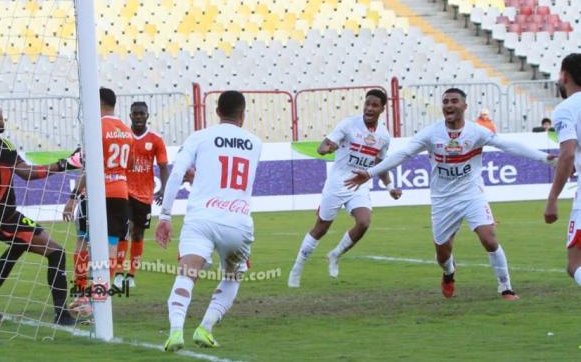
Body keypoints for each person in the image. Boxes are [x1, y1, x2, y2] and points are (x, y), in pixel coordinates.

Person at [346, 88, 555, 300]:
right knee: (442, 254)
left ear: (464, 106)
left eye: (454, 101)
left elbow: (507, 145)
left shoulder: (476, 132)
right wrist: (370, 173)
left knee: (489, 239)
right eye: (445, 101)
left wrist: (546, 158)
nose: (449, 105)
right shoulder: (431, 133)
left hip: (472, 194)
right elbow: (403, 153)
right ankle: (449, 273)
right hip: (443, 200)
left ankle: (506, 288)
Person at [156, 90, 262, 351]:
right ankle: (206, 327)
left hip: (201, 218)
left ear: (217, 112)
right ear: (243, 114)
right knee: (233, 276)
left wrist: (165, 215)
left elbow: (177, 172)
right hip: (236, 221)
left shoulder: (200, 137)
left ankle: (175, 332)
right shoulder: (255, 143)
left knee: (186, 274)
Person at [0, 97, 78, 325]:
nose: (4, 117)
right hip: (3, 216)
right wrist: (64, 165)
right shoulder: (2, 145)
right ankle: (62, 315)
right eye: (1, 114)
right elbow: (27, 174)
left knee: (18, 246)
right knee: (56, 253)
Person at [288, 89, 402, 288]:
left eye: (375, 105)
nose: (369, 108)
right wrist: (326, 149)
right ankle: (297, 267)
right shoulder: (349, 125)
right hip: (338, 183)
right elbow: (324, 145)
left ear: (382, 109)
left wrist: (390, 187)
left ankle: (335, 254)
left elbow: (380, 165)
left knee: (364, 222)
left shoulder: (383, 135)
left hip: (359, 184)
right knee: (321, 228)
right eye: (367, 103)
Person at [62, 88, 133, 311]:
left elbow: (88, 166)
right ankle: (99, 297)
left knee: (83, 240)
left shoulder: (95, 127)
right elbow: (129, 166)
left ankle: (82, 294)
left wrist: (73, 197)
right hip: (120, 193)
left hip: (95, 193)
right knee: (112, 246)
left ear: (98, 103)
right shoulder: (126, 131)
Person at [113, 101, 169, 289]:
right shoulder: (123, 136)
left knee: (137, 234)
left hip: (144, 194)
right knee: (123, 230)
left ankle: (131, 275)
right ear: (130, 116)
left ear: (147, 116)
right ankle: (118, 273)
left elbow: (162, 167)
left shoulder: (155, 140)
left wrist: (163, 189)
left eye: (141, 114)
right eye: (135, 114)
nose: (138, 117)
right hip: (123, 190)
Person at [544, 53, 581, 287]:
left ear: (564, 75)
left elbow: (568, 153)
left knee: (575, 264)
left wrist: (552, 199)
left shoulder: (566, 109)